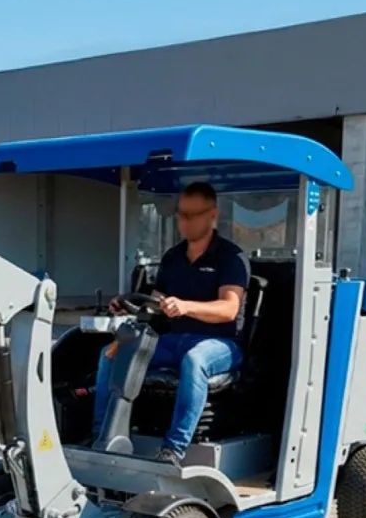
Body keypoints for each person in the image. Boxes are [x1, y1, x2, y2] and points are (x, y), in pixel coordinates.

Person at [92, 181, 250, 465]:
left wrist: (186, 306)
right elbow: (157, 302)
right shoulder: (173, 257)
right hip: (174, 340)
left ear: (212, 214)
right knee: (111, 355)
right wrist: (129, 306)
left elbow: (229, 308)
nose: (184, 222)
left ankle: (174, 449)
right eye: (180, 214)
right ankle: (102, 438)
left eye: (192, 215)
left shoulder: (231, 257)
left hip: (221, 344)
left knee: (195, 360)